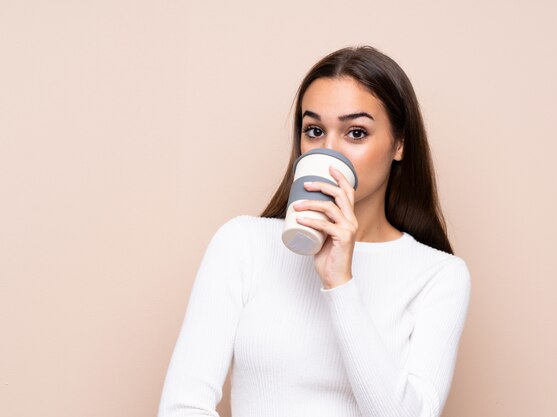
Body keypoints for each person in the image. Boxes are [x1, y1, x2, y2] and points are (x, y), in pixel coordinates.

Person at [157, 45, 471, 417]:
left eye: (356, 132)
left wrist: (340, 283)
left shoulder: (439, 275)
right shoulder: (243, 244)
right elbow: (183, 406)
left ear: (399, 144)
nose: (329, 150)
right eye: (315, 130)